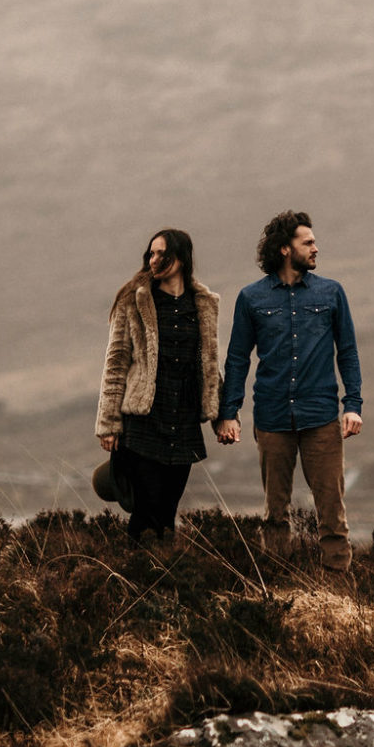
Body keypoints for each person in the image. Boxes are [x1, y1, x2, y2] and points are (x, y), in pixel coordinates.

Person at [216, 211, 362, 571]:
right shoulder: (251, 298)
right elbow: (237, 359)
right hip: (272, 417)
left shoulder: (331, 293)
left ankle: (338, 590)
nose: (316, 248)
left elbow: (347, 351)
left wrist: (353, 404)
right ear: (285, 249)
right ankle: (278, 585)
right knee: (275, 512)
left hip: (321, 417)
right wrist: (228, 412)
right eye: (307, 242)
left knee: (331, 508)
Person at [95, 228, 220, 542]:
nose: (153, 259)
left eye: (160, 253)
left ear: (181, 256)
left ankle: (164, 581)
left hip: (184, 422)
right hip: (144, 420)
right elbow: (116, 362)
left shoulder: (201, 303)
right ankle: (140, 579)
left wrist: (223, 416)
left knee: (167, 510)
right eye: (150, 253)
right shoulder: (134, 300)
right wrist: (109, 423)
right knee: (147, 510)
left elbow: (209, 363)